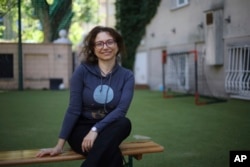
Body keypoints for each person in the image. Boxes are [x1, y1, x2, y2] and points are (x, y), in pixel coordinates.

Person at [36, 26, 135, 167]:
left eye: (110, 42)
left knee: (124, 123)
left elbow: (121, 111)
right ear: (93, 48)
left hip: (108, 127)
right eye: (99, 43)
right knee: (112, 156)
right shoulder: (82, 71)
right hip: (81, 129)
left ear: (117, 45)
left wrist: (96, 130)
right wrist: (59, 145)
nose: (105, 47)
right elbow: (73, 109)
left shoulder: (127, 76)